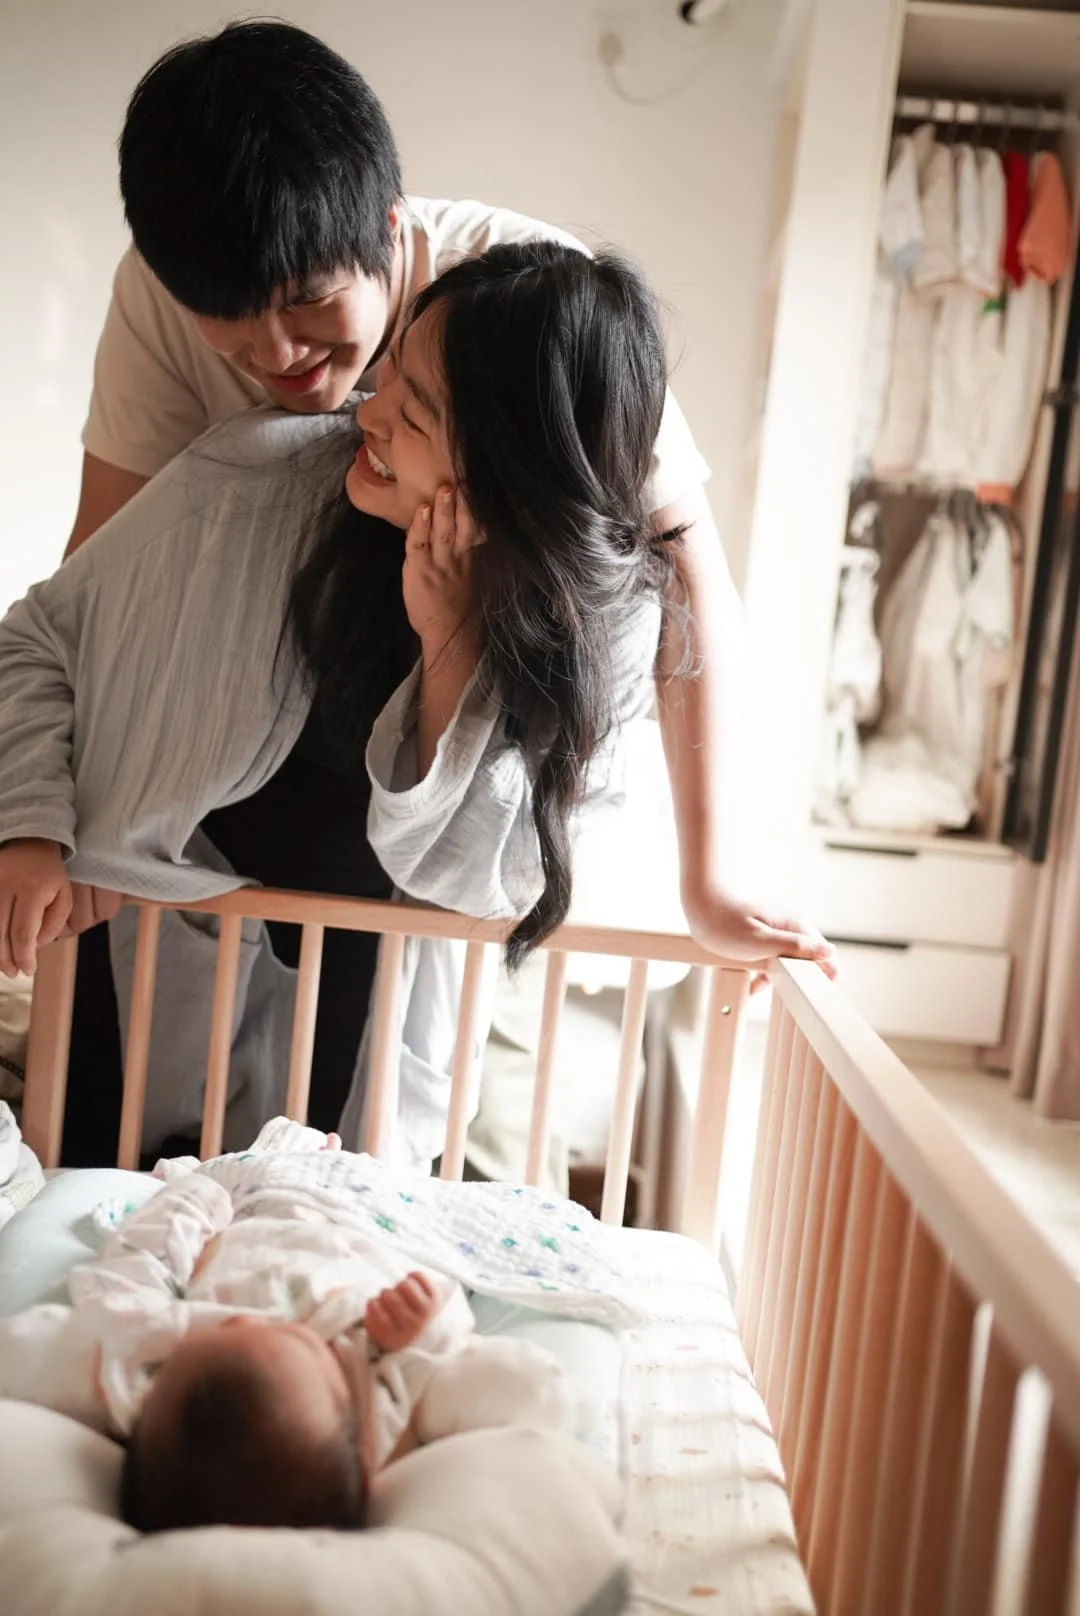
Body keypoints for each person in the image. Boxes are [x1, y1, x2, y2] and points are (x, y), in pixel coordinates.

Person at [61, 19, 837, 983]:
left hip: (487, 771)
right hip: (266, 746)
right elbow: (94, 582)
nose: (277, 357)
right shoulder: (166, 294)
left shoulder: (531, 304)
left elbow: (686, 565)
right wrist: (63, 819)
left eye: (308, 301)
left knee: (448, 997)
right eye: (230, 325)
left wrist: (709, 879)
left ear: (390, 229)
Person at [0, 241, 685, 1163]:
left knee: (318, 1263)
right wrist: (32, 826)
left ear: (510, 469)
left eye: (418, 412)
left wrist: (449, 639)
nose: (372, 411)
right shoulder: (255, 479)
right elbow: (39, 636)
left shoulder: (606, 625)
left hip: (369, 1019)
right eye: (391, 374)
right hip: (140, 960)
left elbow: (480, 880)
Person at [0, 1121, 574, 1534]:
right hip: (376, 1235)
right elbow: (494, 1382)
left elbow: (132, 1269)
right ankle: (325, 1158)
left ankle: (300, 1153)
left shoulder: (143, 1358)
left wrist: (193, 1201)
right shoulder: (382, 1405)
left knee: (273, 1164)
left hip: (260, 1218)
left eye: (229, 1333)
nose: (259, 1321)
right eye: (307, 1345)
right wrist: (424, 1331)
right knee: (369, 1188)